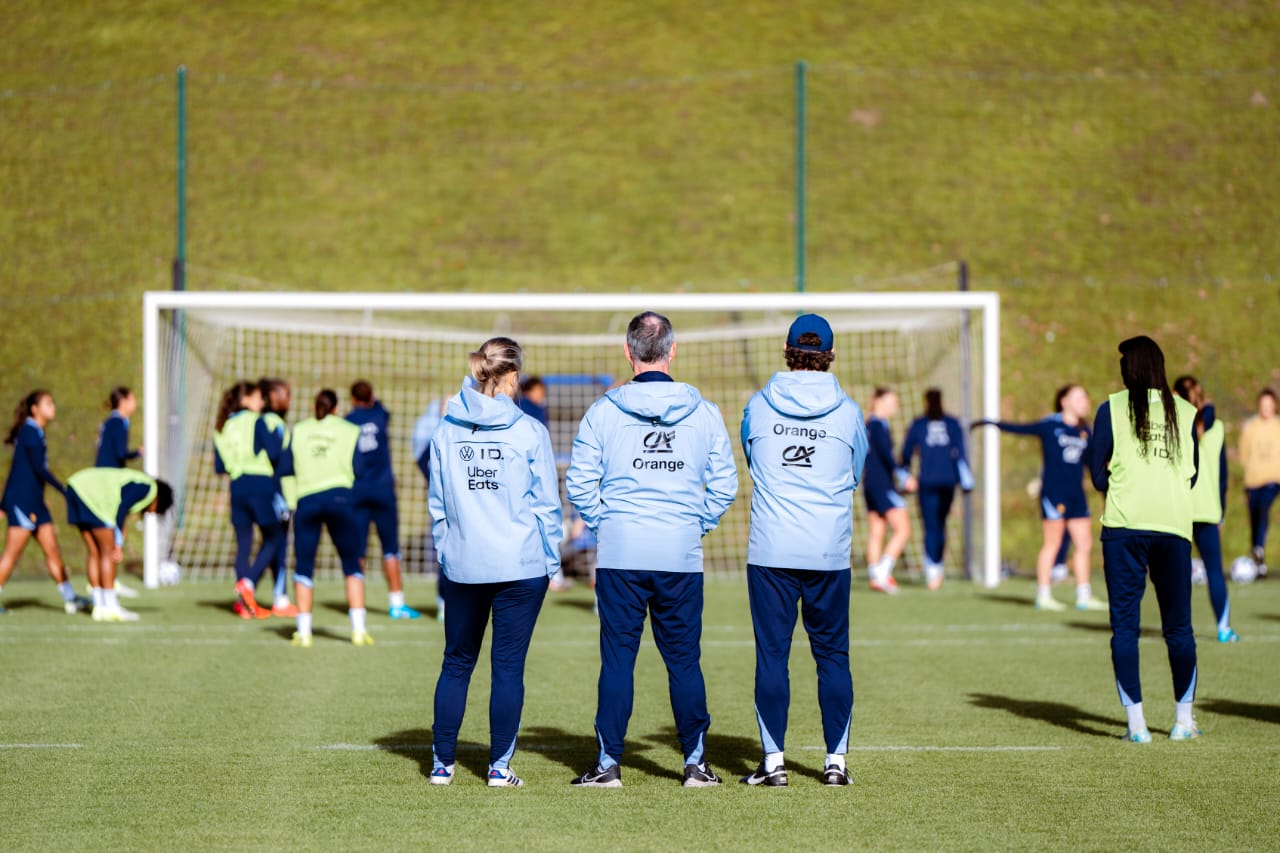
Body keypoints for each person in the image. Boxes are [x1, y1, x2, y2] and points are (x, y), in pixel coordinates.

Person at [566, 311, 738, 789]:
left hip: (621, 555)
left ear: (628, 352)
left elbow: (579, 483)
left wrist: (610, 525)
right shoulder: (703, 412)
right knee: (684, 660)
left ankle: (608, 766)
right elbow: (724, 485)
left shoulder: (604, 410)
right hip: (679, 555)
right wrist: (692, 524)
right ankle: (695, 765)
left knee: (618, 660)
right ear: (672, 351)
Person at [427, 337, 562, 788]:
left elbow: (438, 505)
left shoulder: (446, 429)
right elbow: (547, 505)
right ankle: (499, 769)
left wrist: (448, 550)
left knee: (456, 662)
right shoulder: (528, 431)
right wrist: (550, 561)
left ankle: (442, 765)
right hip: (521, 568)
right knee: (507, 668)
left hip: (464, 565)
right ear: (512, 376)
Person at [739, 314, 867, 787]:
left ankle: (774, 766)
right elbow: (855, 472)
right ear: (829, 354)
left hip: (772, 548)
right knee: (833, 657)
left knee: (772, 657)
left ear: (787, 350)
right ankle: (836, 764)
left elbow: (755, 462)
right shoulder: (849, 411)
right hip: (828, 551)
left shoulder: (759, 405)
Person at [1090, 335, 1200, 742]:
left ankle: (1137, 726)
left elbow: (1098, 474)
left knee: (1125, 629)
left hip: (1123, 528)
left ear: (1130, 370)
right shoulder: (1186, 412)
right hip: (1173, 528)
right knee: (1179, 628)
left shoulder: (1112, 408)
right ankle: (1183, 721)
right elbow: (1192, 474)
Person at [972, 384, 1106, 612]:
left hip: (1076, 494)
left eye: (1086, 396)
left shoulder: (1086, 431)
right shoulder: (1050, 425)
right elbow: (1020, 428)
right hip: (1054, 493)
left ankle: (1084, 595)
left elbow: (1091, 464)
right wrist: (990, 423)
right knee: (1052, 544)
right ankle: (1043, 594)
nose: (1085, 401)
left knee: (1084, 543)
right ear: (1064, 401)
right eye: (1079, 397)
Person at [279, 389, 372, 647]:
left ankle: (304, 633)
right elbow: (360, 470)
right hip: (341, 501)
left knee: (304, 566)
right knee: (352, 564)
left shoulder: (299, 430)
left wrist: (291, 502)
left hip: (307, 501)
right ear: (336, 408)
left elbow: (285, 471)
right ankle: (358, 630)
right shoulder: (349, 429)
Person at [0, 390, 90, 616]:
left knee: (53, 552)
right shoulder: (30, 431)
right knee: (11, 554)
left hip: (36, 503)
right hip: (23, 503)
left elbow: (25, 470)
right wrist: (63, 489)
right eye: (48, 403)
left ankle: (71, 598)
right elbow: (39, 470)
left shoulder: (35, 431)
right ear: (35, 409)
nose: (53, 407)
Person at [347, 380, 420, 619]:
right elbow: (381, 407)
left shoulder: (347, 422)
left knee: (358, 549)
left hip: (356, 490)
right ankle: (396, 602)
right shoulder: (379, 415)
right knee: (390, 547)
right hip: (382, 491)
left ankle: (356, 604)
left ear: (352, 399)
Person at [212, 381, 285, 619]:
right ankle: (250, 581)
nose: (261, 403)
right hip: (260, 484)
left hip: (237, 487)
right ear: (245, 400)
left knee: (244, 544)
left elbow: (220, 466)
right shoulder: (257, 421)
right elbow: (275, 453)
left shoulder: (222, 427)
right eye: (257, 398)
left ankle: (244, 606)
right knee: (274, 538)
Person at [1173, 376, 1238, 642]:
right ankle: (1224, 628)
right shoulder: (1218, 427)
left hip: (1180, 506)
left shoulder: (1175, 424)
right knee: (1214, 571)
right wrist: (1221, 509)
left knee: (1176, 572)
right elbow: (1222, 476)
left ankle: (1178, 629)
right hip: (1209, 508)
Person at [64, 467, 173, 622]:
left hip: (76, 487)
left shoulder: (139, 481)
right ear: (159, 499)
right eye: (156, 510)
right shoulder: (148, 487)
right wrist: (118, 543)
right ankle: (111, 606)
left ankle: (99, 606)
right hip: (94, 498)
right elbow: (121, 508)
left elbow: (123, 507)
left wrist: (120, 532)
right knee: (108, 553)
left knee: (94, 552)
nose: (151, 512)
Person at [900, 388, 974, 589]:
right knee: (938, 525)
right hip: (944, 482)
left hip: (931, 482)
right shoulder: (950, 423)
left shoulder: (920, 424)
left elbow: (906, 454)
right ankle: (935, 567)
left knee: (932, 525)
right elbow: (961, 455)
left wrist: (904, 475)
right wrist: (966, 481)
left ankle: (933, 567)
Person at [863, 387, 914, 594]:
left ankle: (876, 575)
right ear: (878, 402)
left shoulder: (867, 424)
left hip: (870, 484)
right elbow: (887, 455)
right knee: (903, 529)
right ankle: (883, 573)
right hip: (882, 485)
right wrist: (904, 476)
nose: (895, 407)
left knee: (877, 530)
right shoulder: (877, 425)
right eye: (891, 402)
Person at [259, 377, 297, 617]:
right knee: (278, 545)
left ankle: (275, 593)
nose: (289, 400)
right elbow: (277, 461)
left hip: (279, 493)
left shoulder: (272, 422)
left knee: (274, 544)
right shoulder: (272, 423)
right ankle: (278, 597)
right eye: (286, 395)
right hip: (279, 494)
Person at [413, 397, 448, 620]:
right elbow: (422, 461)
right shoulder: (439, 438)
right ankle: (444, 603)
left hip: (465, 506)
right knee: (445, 554)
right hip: (444, 505)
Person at [1239, 387, 1280, 578]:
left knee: (1263, 507)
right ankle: (1258, 559)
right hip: (1253, 480)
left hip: (1273, 480)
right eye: (1263, 405)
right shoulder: (1250, 426)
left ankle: (1258, 549)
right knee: (1254, 518)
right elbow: (1244, 453)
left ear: (1274, 406)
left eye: (1269, 405)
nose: (1266, 408)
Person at [94, 386, 142, 468]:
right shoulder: (118, 423)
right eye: (132, 399)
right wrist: (138, 453)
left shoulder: (109, 422)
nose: (135, 403)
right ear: (123, 402)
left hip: (101, 472)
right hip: (111, 474)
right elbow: (121, 454)